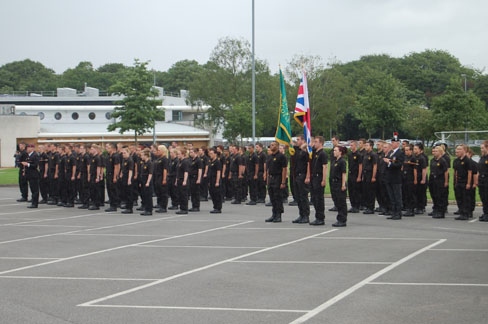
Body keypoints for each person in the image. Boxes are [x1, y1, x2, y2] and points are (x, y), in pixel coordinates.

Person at [264, 141, 287, 223]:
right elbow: (268, 170)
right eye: (271, 145)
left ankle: (278, 215)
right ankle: (274, 214)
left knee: (278, 197)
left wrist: (283, 181)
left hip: (278, 177)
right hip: (271, 178)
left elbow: (284, 169)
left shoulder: (281, 156)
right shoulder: (269, 157)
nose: (271, 146)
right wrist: (267, 181)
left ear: (277, 146)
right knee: (272, 197)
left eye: (273, 145)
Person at [383, 135, 405, 220]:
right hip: (389, 178)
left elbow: (399, 164)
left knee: (397, 196)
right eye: (392, 142)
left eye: (394, 142)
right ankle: (393, 212)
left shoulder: (400, 153)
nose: (392, 144)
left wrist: (389, 163)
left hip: (396, 178)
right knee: (392, 196)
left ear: (398, 143)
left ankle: (398, 213)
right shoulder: (391, 152)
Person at [291, 136, 311, 224]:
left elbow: (308, 164)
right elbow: (290, 144)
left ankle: (306, 215)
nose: (297, 141)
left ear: (303, 141)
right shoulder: (297, 151)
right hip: (296, 176)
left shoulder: (306, 152)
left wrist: (307, 176)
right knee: (298, 197)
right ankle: (301, 214)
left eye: (298, 140)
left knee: (303, 197)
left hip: (303, 175)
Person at [310, 136, 328, 225]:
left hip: (319, 177)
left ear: (321, 143)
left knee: (319, 198)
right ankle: (317, 216)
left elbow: (325, 167)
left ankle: (320, 218)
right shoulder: (314, 152)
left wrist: (323, 179)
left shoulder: (322, 153)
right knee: (314, 198)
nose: (314, 143)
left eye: (316, 142)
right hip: (314, 177)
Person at [453, 144, 472, 220]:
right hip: (459, 181)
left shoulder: (467, 160)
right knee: (459, 197)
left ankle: (466, 213)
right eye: (457, 149)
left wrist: (468, 183)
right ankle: (461, 212)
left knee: (465, 198)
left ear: (464, 150)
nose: (457, 151)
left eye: (459, 149)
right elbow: (456, 172)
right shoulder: (457, 161)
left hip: (465, 181)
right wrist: (456, 181)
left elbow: (470, 172)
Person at [428, 146, 449, 219]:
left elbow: (446, 171)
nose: (434, 153)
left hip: (440, 180)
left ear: (440, 152)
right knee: (434, 195)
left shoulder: (442, 160)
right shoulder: (433, 160)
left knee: (440, 196)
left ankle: (441, 211)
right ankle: (436, 209)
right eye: (433, 151)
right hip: (433, 179)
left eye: (436, 151)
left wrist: (446, 181)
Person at [330, 146, 348, 227]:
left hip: (340, 182)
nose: (334, 152)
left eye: (336, 150)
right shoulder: (334, 161)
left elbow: (343, 173)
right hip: (334, 183)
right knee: (337, 201)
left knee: (341, 202)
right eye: (334, 150)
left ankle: (342, 219)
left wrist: (343, 184)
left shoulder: (342, 161)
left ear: (340, 152)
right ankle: (339, 218)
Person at [361, 140, 378, 214]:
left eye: (367, 145)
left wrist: (373, 176)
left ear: (371, 146)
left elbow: (375, 166)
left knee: (370, 191)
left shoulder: (373, 155)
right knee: (366, 191)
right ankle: (367, 206)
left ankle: (371, 207)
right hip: (365, 174)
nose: (365, 147)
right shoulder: (365, 154)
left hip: (370, 173)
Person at [21, 144, 40, 208]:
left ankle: (35, 203)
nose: (27, 149)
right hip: (29, 175)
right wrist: (24, 171)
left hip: (34, 175)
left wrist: (28, 164)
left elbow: (35, 165)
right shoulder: (28, 155)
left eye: (29, 148)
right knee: (32, 189)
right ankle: (33, 202)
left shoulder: (35, 155)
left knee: (35, 190)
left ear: (32, 148)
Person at [347, 140, 362, 213]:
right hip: (350, 173)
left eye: (352, 145)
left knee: (356, 191)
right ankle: (353, 205)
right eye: (350, 145)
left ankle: (357, 206)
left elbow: (360, 166)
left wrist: (359, 176)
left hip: (356, 174)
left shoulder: (358, 155)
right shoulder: (350, 154)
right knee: (351, 190)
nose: (351, 146)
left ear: (356, 146)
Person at [402, 144, 416, 216]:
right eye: (405, 150)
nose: (406, 151)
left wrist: (415, 179)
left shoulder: (413, 158)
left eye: (407, 150)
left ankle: (411, 209)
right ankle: (407, 208)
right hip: (405, 177)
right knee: (406, 193)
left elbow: (415, 169)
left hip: (411, 177)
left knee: (411, 194)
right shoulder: (405, 157)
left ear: (411, 150)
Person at [413, 143, 427, 214]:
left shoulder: (422, 158)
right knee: (416, 193)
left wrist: (423, 179)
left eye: (416, 149)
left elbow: (424, 169)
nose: (414, 150)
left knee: (420, 193)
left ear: (420, 149)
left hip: (420, 177)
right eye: (414, 149)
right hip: (415, 177)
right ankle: (417, 206)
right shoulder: (414, 157)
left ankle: (421, 207)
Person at [175, 148, 190, 214]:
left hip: (183, 179)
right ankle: (181, 208)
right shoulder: (179, 161)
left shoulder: (185, 162)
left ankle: (184, 209)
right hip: (179, 179)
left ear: (183, 154)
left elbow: (186, 172)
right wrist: (176, 180)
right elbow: (178, 172)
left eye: (179, 154)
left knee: (184, 195)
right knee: (180, 195)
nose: (178, 155)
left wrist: (185, 180)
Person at [120, 147, 134, 214]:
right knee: (125, 192)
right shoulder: (124, 160)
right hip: (124, 177)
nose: (123, 154)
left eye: (125, 153)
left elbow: (130, 170)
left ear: (128, 153)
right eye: (122, 153)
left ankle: (129, 208)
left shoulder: (130, 160)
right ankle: (126, 206)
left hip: (128, 178)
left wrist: (129, 179)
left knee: (129, 193)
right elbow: (123, 169)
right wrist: (121, 174)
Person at [208, 147, 223, 213]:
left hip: (215, 179)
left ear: (215, 154)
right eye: (209, 153)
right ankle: (215, 207)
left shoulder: (217, 162)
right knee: (212, 194)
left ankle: (218, 208)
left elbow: (218, 172)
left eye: (211, 153)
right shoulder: (211, 161)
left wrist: (217, 181)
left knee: (217, 194)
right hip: (211, 180)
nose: (210, 155)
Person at [139, 149, 154, 216]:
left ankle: (149, 210)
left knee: (148, 196)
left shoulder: (149, 163)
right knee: (144, 195)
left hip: (147, 181)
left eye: (142, 155)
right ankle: (146, 208)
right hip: (143, 180)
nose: (141, 156)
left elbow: (150, 173)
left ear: (146, 155)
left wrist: (148, 182)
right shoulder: (144, 163)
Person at [189, 148, 203, 212]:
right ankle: (193, 205)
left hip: (196, 177)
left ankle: (197, 206)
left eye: (191, 152)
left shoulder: (198, 160)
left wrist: (199, 179)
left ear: (195, 152)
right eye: (190, 152)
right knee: (192, 192)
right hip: (191, 177)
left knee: (196, 192)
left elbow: (200, 170)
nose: (190, 153)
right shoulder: (191, 160)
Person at [478, 140, 488, 222]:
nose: (481, 149)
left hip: (486, 179)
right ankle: (485, 213)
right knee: (483, 197)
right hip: (481, 179)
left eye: (482, 148)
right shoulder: (482, 157)